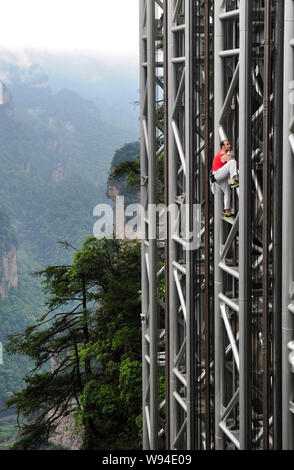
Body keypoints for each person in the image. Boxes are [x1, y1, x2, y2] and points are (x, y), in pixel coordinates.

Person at [211, 140, 239, 218]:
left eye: (229, 144)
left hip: (217, 177)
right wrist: (232, 158)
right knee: (233, 162)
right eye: (227, 144)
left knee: (227, 192)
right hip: (218, 174)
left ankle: (227, 211)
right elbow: (233, 163)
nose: (229, 145)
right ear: (222, 146)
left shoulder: (222, 154)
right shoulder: (223, 154)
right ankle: (233, 181)